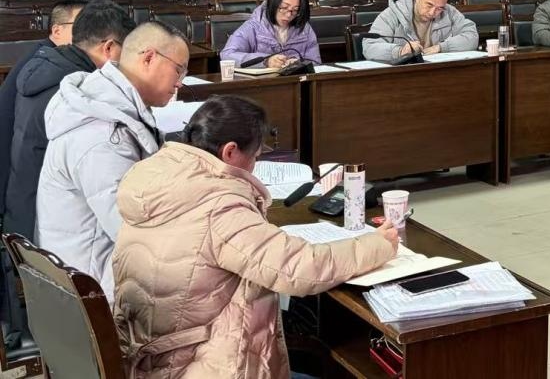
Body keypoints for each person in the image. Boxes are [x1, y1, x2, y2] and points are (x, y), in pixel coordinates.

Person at [113, 95, 398, 379]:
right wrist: (379, 245)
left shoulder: (157, 178)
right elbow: (299, 268)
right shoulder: (218, 205)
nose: (254, 166)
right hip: (197, 365)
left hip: (150, 360)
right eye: (255, 157)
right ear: (230, 152)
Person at [36, 21, 189, 300]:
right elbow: (132, 231)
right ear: (149, 57)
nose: (180, 82)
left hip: (90, 269)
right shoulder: (103, 137)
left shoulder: (111, 104)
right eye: (179, 70)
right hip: (95, 289)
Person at [3, 0, 134, 247]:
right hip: (47, 226)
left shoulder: (46, 66)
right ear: (108, 47)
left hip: (22, 207)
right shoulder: (75, 91)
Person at [0, 0, 83, 347]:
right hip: (20, 187)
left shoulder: (45, 63)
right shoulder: (53, 74)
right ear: (57, 31)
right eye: (81, 27)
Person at [362, 0, 477, 62]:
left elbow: (472, 36)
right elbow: (369, 47)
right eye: (429, 5)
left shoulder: (449, 12)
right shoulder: (392, 14)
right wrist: (400, 51)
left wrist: (441, 47)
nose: (432, 12)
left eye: (439, 8)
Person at [220, 0, 319, 69]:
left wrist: (299, 64)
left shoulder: (304, 28)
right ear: (273, 3)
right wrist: (266, 61)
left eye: (295, 10)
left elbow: (316, 63)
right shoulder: (254, 26)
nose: (289, 15)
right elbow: (227, 55)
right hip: (263, 82)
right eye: (284, 7)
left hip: (294, 81)